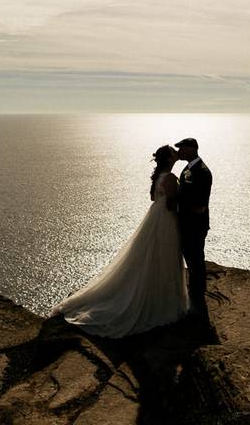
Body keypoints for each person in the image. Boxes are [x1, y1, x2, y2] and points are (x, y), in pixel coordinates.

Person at [49, 145, 188, 337]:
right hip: (166, 221)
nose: (176, 155)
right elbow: (172, 204)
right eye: (174, 153)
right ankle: (162, 303)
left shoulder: (159, 178)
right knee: (164, 258)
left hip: (155, 218)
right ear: (168, 159)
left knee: (152, 257)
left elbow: (152, 198)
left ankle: (154, 297)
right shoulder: (171, 178)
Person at [174, 137, 212, 318]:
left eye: (181, 148)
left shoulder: (202, 172)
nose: (179, 152)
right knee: (192, 261)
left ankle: (197, 301)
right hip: (186, 224)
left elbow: (200, 206)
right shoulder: (188, 169)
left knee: (196, 263)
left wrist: (179, 206)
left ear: (191, 149)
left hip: (194, 226)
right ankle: (194, 298)